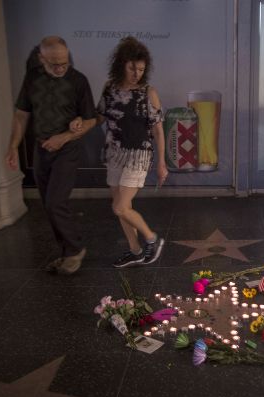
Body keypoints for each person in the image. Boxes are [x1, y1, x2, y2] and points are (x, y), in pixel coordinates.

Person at [5, 36, 97, 275]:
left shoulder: (78, 81)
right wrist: (13, 145)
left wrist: (64, 137)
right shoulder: (32, 79)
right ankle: (67, 251)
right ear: (41, 59)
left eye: (64, 63)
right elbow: (21, 115)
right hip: (41, 149)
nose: (60, 68)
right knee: (48, 205)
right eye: (54, 63)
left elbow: (90, 120)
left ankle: (75, 250)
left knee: (56, 202)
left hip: (67, 149)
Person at [71, 36, 167, 268]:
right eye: (132, 68)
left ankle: (152, 239)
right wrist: (80, 123)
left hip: (138, 155)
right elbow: (101, 116)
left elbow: (158, 130)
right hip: (114, 152)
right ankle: (135, 251)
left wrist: (161, 163)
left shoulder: (148, 92)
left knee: (120, 207)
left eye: (141, 69)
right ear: (121, 64)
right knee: (123, 208)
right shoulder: (110, 88)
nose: (137, 74)